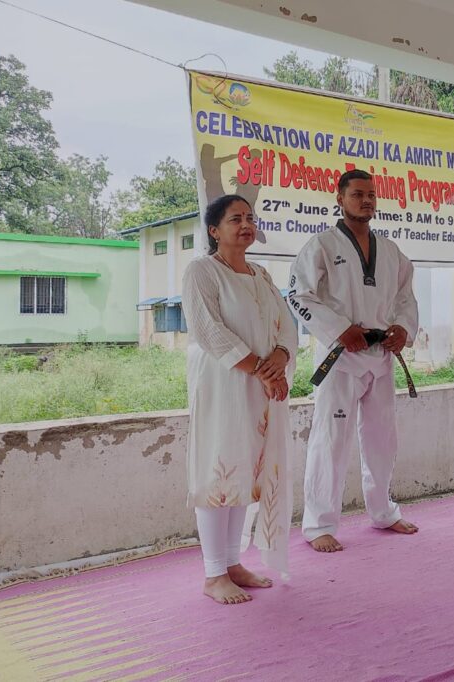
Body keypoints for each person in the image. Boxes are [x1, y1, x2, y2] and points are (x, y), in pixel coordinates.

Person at [289, 169, 419, 553]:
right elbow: (299, 295)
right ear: (340, 198)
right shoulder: (322, 245)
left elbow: (406, 297)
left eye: (371, 195)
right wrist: (338, 329)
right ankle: (319, 524)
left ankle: (383, 511)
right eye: (358, 194)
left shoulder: (391, 251)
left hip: (380, 355)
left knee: (382, 438)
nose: (366, 200)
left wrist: (403, 328)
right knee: (331, 439)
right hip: (341, 357)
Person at [182, 194, 298, 604]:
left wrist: (280, 358)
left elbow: (286, 325)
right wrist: (262, 369)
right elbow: (209, 331)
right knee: (219, 471)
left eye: (250, 218)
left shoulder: (261, 274)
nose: (246, 225)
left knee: (246, 472)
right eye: (235, 219)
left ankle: (232, 563)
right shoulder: (202, 271)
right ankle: (214, 574)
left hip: (260, 386)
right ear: (214, 230)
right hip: (224, 383)